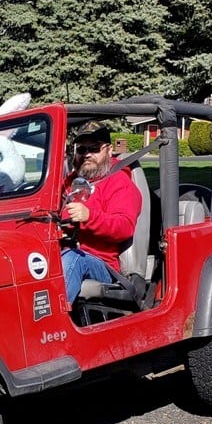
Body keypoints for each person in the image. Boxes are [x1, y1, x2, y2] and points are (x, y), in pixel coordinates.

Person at [61, 120, 142, 304]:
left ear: (109, 149)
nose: (87, 154)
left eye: (95, 148)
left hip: (100, 262)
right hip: (60, 252)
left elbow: (124, 227)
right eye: (82, 150)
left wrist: (89, 217)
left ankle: (53, 327)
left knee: (73, 259)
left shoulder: (120, 182)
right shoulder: (68, 183)